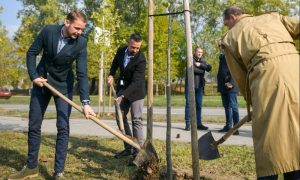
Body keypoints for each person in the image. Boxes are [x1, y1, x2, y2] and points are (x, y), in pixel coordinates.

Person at [8, 10, 96, 180]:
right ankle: (31, 167)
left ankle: (59, 173)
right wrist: (34, 76)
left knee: (63, 127)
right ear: (67, 22)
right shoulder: (48, 31)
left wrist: (85, 102)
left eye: (81, 30)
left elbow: (82, 73)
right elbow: (31, 53)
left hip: (64, 87)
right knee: (34, 125)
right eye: (77, 28)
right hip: (42, 82)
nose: (79, 32)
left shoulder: (81, 43)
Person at [221, 6, 299, 179]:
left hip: (266, 77)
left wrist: (252, 103)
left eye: (227, 24)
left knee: (269, 136)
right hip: (296, 70)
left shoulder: (230, 38)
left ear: (233, 17)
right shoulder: (273, 17)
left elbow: (240, 77)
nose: (227, 28)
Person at [107, 33, 146, 165]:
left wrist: (123, 96)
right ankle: (128, 147)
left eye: (138, 48)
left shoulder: (141, 59)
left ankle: (139, 153)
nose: (135, 50)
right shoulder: (121, 50)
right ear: (128, 43)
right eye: (133, 47)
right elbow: (115, 63)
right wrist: (111, 74)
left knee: (136, 119)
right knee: (120, 117)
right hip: (123, 87)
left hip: (136, 91)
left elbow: (136, 82)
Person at [184, 47, 211, 131]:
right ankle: (188, 124)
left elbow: (209, 67)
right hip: (190, 85)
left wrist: (201, 65)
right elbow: (193, 70)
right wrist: (203, 69)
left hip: (199, 86)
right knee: (189, 105)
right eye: (198, 52)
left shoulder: (202, 60)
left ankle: (198, 124)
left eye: (201, 52)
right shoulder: (190, 59)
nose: (200, 53)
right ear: (195, 52)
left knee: (198, 106)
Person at [216, 42, 240, 135]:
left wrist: (231, 82)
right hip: (223, 86)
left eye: (221, 46)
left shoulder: (231, 56)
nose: (220, 48)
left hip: (231, 86)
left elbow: (235, 70)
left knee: (233, 106)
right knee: (226, 106)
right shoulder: (222, 56)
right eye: (219, 46)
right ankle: (228, 126)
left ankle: (236, 128)